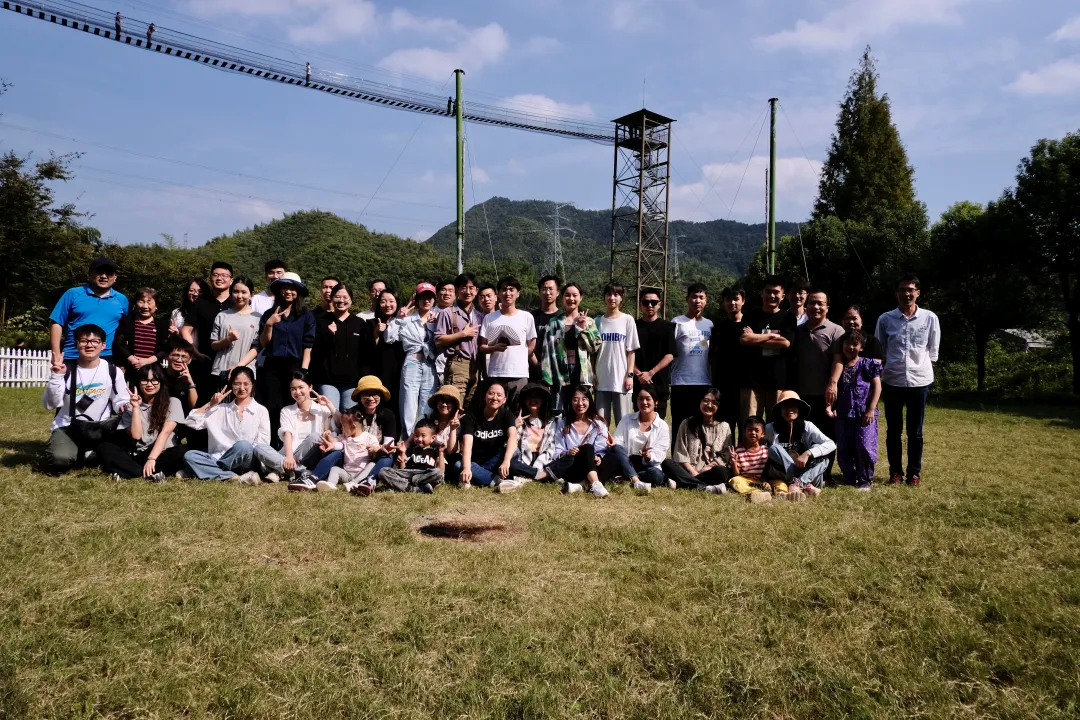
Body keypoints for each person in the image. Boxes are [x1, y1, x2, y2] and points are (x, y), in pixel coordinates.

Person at [874, 273, 940, 487]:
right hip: (893, 380)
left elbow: (933, 351)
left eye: (911, 290)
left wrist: (923, 367)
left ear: (918, 293)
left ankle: (914, 474)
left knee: (916, 432)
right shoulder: (885, 319)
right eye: (902, 290)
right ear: (896, 294)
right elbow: (879, 350)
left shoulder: (929, 318)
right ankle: (895, 472)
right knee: (893, 431)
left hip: (920, 381)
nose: (906, 294)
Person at [42, 324, 130, 472]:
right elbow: (50, 404)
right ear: (76, 344)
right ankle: (82, 452)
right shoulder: (66, 370)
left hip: (100, 427)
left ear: (103, 345)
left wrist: (125, 406)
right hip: (68, 427)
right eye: (84, 341)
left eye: (95, 341)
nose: (89, 345)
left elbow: (120, 399)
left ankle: (88, 452)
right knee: (60, 459)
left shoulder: (113, 371)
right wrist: (56, 377)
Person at [98, 364, 187, 482]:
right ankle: (146, 473)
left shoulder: (173, 402)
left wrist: (152, 458)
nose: (149, 384)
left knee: (182, 451)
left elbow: (165, 432)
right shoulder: (130, 407)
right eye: (145, 380)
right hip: (138, 455)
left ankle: (129, 471)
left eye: (154, 380)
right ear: (138, 383)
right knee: (104, 447)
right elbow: (136, 435)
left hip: (162, 453)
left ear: (161, 382)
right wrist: (135, 408)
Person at [182, 367, 270, 484]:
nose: (241, 388)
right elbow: (190, 422)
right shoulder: (220, 409)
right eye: (237, 384)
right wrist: (211, 404)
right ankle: (235, 477)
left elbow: (263, 443)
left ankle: (208, 470)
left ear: (252, 385)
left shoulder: (261, 410)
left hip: (246, 460)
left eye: (246, 384)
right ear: (231, 385)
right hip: (219, 457)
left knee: (244, 445)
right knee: (190, 455)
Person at [310, 376, 399, 490]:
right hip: (352, 456)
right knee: (335, 452)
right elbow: (342, 423)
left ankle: (369, 481)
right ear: (360, 396)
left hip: (376, 454)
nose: (371, 398)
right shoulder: (353, 412)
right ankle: (314, 477)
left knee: (387, 457)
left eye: (375, 394)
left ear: (380, 396)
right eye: (366, 394)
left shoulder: (388, 415)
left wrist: (379, 449)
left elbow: (388, 444)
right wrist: (329, 405)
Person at [257, 272, 315, 443]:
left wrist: (303, 371)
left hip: (295, 366)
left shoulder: (306, 315)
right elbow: (263, 342)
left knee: (292, 405)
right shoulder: (269, 313)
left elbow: (308, 346)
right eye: (284, 288)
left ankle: (291, 444)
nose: (288, 291)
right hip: (272, 366)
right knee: (272, 406)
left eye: (292, 288)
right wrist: (269, 324)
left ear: (298, 292)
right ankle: (272, 444)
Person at [256, 370, 336, 486]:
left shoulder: (322, 409)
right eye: (293, 389)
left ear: (310, 387)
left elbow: (340, 424)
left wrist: (329, 404)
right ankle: (297, 470)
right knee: (259, 447)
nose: (297, 392)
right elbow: (287, 434)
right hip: (287, 454)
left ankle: (279, 470)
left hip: (311, 456)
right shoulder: (287, 410)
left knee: (314, 436)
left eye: (301, 387)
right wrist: (289, 457)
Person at [794, 291, 844, 470]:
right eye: (812, 303)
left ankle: (825, 471)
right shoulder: (798, 331)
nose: (816, 307)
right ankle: (804, 470)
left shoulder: (836, 330)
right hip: (801, 393)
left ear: (827, 308)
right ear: (806, 306)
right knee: (803, 434)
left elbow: (839, 360)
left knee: (826, 435)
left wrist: (833, 383)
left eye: (820, 303)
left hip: (825, 393)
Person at [827, 329, 882, 491]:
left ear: (861, 347)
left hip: (864, 413)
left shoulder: (868, 364)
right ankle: (849, 477)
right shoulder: (838, 367)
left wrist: (871, 409)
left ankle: (865, 480)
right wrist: (830, 407)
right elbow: (832, 391)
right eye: (847, 343)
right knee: (844, 447)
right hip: (843, 414)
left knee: (864, 447)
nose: (850, 347)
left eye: (855, 344)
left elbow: (877, 387)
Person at [49, 257, 129, 370]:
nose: (104, 276)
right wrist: (56, 353)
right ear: (90, 274)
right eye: (99, 272)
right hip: (73, 355)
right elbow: (56, 322)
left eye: (108, 273)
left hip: (108, 356)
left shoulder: (122, 300)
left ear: (115, 277)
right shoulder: (72, 294)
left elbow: (126, 330)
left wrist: (124, 356)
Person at [739, 274, 796, 424]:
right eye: (768, 291)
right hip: (751, 380)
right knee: (750, 424)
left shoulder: (788, 318)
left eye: (776, 292)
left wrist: (755, 338)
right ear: (762, 293)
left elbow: (785, 343)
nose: (771, 295)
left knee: (777, 424)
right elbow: (744, 339)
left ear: (783, 296)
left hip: (778, 380)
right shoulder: (750, 316)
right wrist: (772, 337)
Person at [539, 283, 601, 414]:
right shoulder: (554, 322)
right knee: (558, 411)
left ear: (580, 298)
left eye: (575, 295)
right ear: (562, 298)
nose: (571, 299)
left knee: (579, 411)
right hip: (559, 372)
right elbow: (546, 352)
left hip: (581, 372)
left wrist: (583, 330)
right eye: (567, 295)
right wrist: (547, 378)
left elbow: (594, 347)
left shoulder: (589, 321)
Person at [763, 391, 836, 499]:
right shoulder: (770, 428)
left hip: (806, 472)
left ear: (799, 409)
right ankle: (804, 486)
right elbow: (758, 450)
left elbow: (831, 444)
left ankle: (799, 483)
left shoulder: (807, 426)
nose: (789, 410)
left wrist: (808, 453)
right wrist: (763, 479)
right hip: (782, 473)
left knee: (823, 453)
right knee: (774, 448)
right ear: (780, 410)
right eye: (785, 406)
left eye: (793, 406)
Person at [388, 282, 439, 437]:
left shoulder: (438, 318)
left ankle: (424, 438)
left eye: (430, 297)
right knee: (408, 402)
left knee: (427, 402)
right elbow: (389, 338)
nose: (426, 300)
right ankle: (408, 438)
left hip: (430, 363)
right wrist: (398, 318)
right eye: (423, 297)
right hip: (412, 362)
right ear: (416, 300)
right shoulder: (407, 319)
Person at [478, 276, 537, 411]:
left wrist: (520, 357)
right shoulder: (489, 318)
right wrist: (494, 348)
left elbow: (532, 344)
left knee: (518, 410)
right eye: (504, 289)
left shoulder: (527, 317)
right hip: (496, 374)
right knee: (495, 411)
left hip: (519, 374)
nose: (507, 293)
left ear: (518, 293)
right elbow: (482, 347)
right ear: (498, 293)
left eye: (511, 289)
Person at [661, 388, 733, 494]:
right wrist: (693, 471)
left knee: (722, 472)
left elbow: (725, 456)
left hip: (711, 471)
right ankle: (705, 487)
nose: (709, 405)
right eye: (705, 400)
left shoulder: (724, 426)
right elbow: (680, 452)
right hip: (688, 470)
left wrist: (708, 467)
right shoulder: (687, 423)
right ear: (699, 402)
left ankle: (682, 483)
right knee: (667, 463)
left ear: (719, 406)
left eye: (714, 403)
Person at [312, 283, 370, 412]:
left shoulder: (359, 323)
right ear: (332, 299)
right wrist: (328, 335)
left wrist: (362, 379)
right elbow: (315, 351)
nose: (341, 300)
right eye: (337, 297)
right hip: (327, 380)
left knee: (349, 416)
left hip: (352, 382)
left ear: (351, 300)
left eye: (345, 297)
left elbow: (365, 354)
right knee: (329, 414)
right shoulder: (321, 321)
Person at [547, 385, 611, 498]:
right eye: (575, 399)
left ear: (589, 401)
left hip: (593, 465)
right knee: (587, 447)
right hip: (573, 466)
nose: (580, 403)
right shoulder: (563, 424)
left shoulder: (599, 424)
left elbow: (601, 448)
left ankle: (582, 485)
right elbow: (557, 451)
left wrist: (598, 456)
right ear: (570, 402)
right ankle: (595, 483)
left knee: (615, 456)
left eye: (584, 399)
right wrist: (567, 452)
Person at [182, 262, 233, 404]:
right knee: (203, 401)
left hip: (231, 362)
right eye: (216, 275)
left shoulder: (236, 303)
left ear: (231, 280)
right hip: (205, 361)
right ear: (210, 278)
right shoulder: (201, 303)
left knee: (229, 402)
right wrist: (195, 352)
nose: (219, 278)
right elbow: (186, 330)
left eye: (224, 275)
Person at [669, 282, 713, 436]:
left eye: (701, 297)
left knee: (700, 428)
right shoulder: (677, 322)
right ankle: (677, 453)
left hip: (704, 382)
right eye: (694, 297)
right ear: (687, 298)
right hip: (681, 382)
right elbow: (669, 352)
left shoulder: (709, 325)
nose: (697, 300)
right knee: (679, 427)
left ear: (706, 300)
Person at [609, 385, 669, 494]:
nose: (644, 402)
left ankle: (628, 477)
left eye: (648, 399)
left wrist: (649, 456)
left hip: (648, 466)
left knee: (656, 475)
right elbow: (619, 443)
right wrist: (613, 443)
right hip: (627, 461)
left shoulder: (662, 426)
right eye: (640, 399)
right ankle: (636, 481)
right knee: (616, 447)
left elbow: (661, 453)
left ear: (656, 402)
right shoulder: (627, 419)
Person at [306, 408, 381, 495]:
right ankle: (331, 484)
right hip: (347, 473)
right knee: (335, 469)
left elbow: (377, 448)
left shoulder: (368, 437)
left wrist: (374, 449)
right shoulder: (344, 437)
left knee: (372, 465)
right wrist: (328, 435)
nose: (342, 429)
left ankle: (354, 483)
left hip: (362, 473)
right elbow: (333, 440)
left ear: (353, 427)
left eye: (344, 426)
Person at [594, 283, 639, 426]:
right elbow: (593, 351)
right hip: (601, 380)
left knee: (623, 423)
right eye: (609, 294)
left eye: (616, 294)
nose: (612, 298)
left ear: (621, 298)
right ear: (604, 297)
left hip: (622, 380)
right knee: (600, 424)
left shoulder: (627, 320)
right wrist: (593, 373)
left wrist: (630, 375)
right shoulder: (597, 321)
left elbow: (631, 350)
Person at [459, 381, 518, 489]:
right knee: (459, 465)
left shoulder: (507, 415)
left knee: (515, 451)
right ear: (485, 397)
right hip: (475, 463)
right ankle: (498, 481)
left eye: (499, 395)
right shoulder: (471, 417)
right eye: (491, 393)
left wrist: (506, 461)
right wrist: (467, 468)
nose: (495, 398)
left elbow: (513, 437)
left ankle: (482, 477)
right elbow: (467, 444)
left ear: (504, 400)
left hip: (496, 461)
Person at [435, 272, 483, 404]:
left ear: (476, 291)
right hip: (457, 363)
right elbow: (438, 340)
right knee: (455, 403)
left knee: (470, 404)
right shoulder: (447, 313)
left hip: (476, 366)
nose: (468, 292)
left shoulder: (479, 316)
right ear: (457, 290)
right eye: (463, 288)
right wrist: (463, 334)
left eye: (471, 288)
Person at [501, 382, 556, 492]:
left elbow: (551, 449)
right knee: (509, 464)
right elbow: (507, 445)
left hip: (545, 460)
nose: (533, 400)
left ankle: (529, 477)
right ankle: (539, 476)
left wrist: (539, 465)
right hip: (522, 460)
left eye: (537, 397)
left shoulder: (552, 422)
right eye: (529, 397)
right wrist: (514, 426)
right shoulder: (516, 419)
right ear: (524, 401)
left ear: (543, 400)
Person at [709, 286, 748, 437]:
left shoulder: (750, 325)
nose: (732, 303)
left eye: (736, 299)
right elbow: (712, 356)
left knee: (745, 425)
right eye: (728, 300)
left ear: (743, 301)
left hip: (745, 385)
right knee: (724, 427)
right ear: (723, 303)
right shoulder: (718, 327)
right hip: (723, 385)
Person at [209, 276, 261, 385]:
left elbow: (257, 347)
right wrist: (228, 339)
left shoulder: (258, 318)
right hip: (221, 370)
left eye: (244, 292)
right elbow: (213, 345)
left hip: (246, 373)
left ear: (251, 294)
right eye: (236, 292)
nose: (239, 296)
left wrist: (239, 366)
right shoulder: (222, 315)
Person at [633, 287, 674, 420]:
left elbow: (670, 354)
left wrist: (650, 373)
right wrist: (639, 373)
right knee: (639, 423)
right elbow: (627, 353)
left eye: (654, 302)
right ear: (640, 304)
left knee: (659, 424)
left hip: (660, 384)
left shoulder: (667, 327)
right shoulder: (633, 326)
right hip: (638, 384)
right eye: (646, 302)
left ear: (659, 304)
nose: (650, 305)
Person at [112, 287, 170, 377]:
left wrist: (148, 361)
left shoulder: (163, 325)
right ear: (135, 304)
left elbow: (165, 348)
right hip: (130, 369)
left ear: (156, 306)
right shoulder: (127, 322)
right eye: (141, 301)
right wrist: (132, 359)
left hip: (153, 372)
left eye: (149, 302)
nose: (145, 306)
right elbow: (118, 343)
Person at [378, 419, 445, 494]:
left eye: (423, 436)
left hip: (423, 475)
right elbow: (403, 469)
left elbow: (441, 470)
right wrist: (402, 455)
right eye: (416, 435)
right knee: (383, 471)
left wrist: (441, 452)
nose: (419, 439)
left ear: (432, 438)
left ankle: (404, 486)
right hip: (408, 474)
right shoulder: (410, 450)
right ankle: (413, 488)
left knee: (438, 473)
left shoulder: (434, 452)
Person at [368, 290, 404, 406]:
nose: (387, 305)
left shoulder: (403, 323)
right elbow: (366, 350)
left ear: (397, 303)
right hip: (379, 371)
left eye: (391, 301)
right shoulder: (370, 324)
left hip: (400, 371)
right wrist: (376, 334)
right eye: (383, 301)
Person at [727, 416, 773, 500]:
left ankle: (780, 492)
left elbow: (767, 472)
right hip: (744, 480)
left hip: (760, 481)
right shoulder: (739, 450)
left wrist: (766, 481)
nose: (753, 433)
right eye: (750, 430)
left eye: (756, 430)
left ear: (763, 434)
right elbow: (737, 474)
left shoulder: (766, 451)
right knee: (735, 481)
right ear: (745, 432)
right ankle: (755, 493)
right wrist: (734, 463)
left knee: (777, 482)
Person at [530, 275, 561, 384]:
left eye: (551, 289)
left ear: (558, 292)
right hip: (533, 371)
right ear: (539, 292)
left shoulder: (563, 317)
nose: (548, 293)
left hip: (558, 371)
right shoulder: (531, 317)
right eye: (544, 289)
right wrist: (536, 364)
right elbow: (526, 343)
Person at [426, 384, 462, 456]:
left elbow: (451, 451)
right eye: (441, 400)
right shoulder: (426, 417)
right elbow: (410, 441)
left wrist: (452, 429)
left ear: (454, 405)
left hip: (445, 458)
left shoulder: (457, 424)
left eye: (449, 401)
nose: (444, 404)